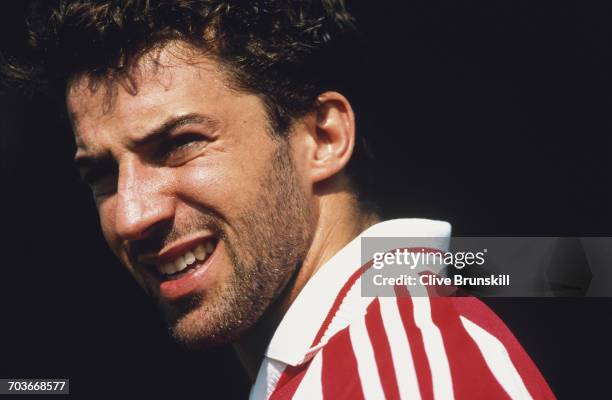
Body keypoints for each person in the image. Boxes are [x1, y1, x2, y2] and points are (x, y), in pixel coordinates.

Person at [4, 1, 555, 398]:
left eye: (179, 145)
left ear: (323, 138)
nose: (132, 215)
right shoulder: (373, 356)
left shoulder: (392, 375)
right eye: (101, 174)